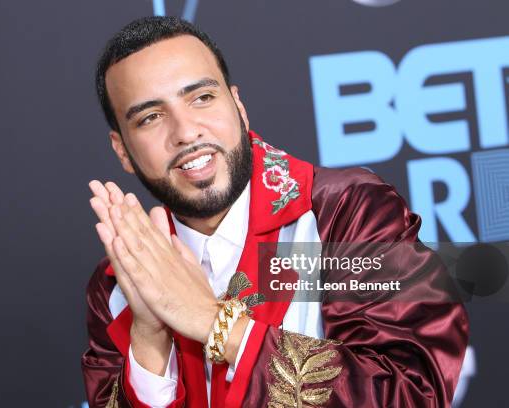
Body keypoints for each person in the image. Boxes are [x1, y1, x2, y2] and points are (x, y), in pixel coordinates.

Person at [81, 16, 468, 407]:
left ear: (239, 106)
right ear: (122, 150)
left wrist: (215, 324)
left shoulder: (347, 212)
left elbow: (412, 393)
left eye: (202, 98)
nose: (185, 131)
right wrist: (148, 337)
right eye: (150, 117)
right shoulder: (119, 282)